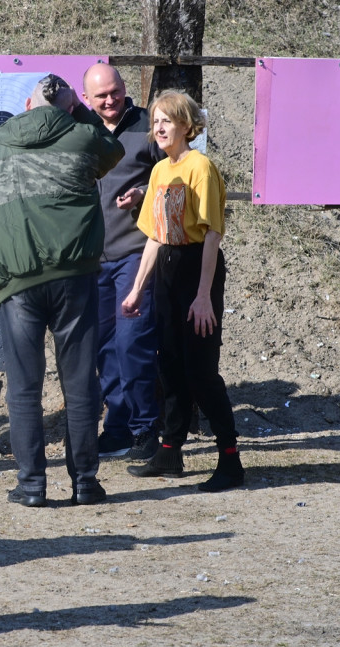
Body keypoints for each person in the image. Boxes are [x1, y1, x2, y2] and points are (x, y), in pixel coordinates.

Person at [0, 74, 124, 508]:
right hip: (77, 280)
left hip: (19, 281)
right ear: (69, 106)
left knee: (25, 388)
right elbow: (114, 149)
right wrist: (78, 109)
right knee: (80, 385)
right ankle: (85, 483)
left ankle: (32, 485)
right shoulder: (83, 138)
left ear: (26, 108)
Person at [122, 90, 244, 493]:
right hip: (168, 272)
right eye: (155, 120)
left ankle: (230, 460)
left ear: (187, 126)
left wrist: (204, 295)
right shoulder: (159, 172)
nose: (158, 127)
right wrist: (138, 288)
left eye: (167, 121)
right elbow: (156, 236)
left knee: (201, 371)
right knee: (169, 364)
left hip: (197, 269)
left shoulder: (200, 167)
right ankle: (170, 451)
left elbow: (212, 234)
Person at [81, 63, 165, 461]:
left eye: (115, 91)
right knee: (104, 348)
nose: (111, 100)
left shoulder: (149, 126)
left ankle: (146, 429)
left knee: (133, 344)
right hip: (92, 259)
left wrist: (144, 191)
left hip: (136, 253)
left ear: (125, 88)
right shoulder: (81, 131)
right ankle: (116, 428)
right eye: (102, 96)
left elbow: (177, 173)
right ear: (87, 99)